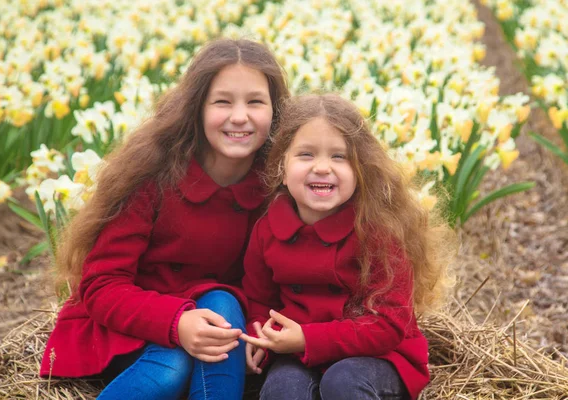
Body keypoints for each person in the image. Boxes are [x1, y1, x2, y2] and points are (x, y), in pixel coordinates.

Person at [39, 38, 289, 400]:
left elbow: (277, 280)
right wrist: (177, 323)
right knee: (174, 366)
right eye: (222, 101)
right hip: (131, 325)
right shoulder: (153, 175)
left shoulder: (278, 184)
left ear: (275, 110)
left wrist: (257, 328)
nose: (239, 116)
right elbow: (101, 285)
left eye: (255, 101)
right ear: (197, 108)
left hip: (220, 325)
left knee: (221, 303)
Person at [240, 94, 453, 400]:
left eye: (339, 157)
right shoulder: (267, 230)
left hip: (378, 355)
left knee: (343, 382)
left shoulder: (377, 232)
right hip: (297, 352)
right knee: (282, 389)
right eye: (306, 154)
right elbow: (260, 298)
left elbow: (388, 326)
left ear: (360, 170)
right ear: (281, 169)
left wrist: (308, 339)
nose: (323, 167)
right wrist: (259, 332)